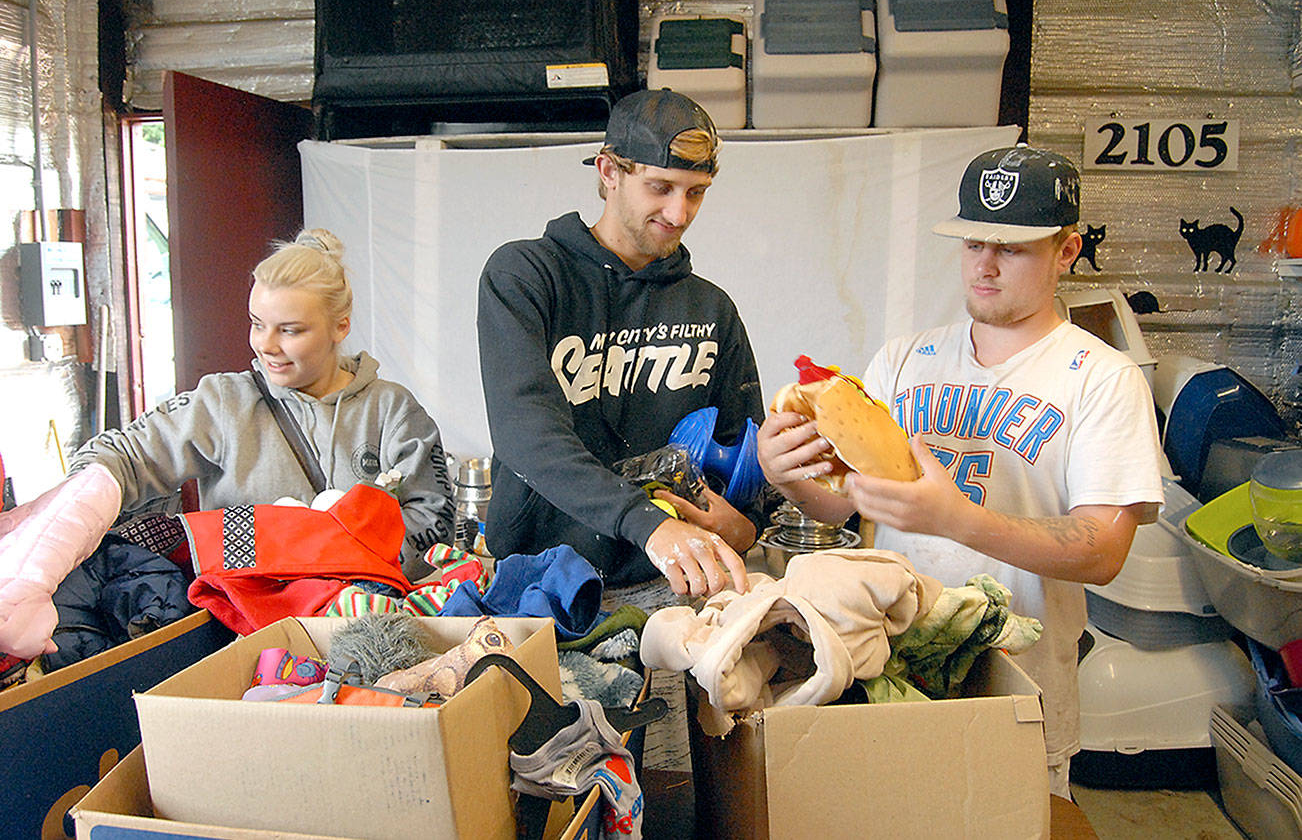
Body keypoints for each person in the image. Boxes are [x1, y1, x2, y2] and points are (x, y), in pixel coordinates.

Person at [757, 145, 1164, 797]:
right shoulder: (905, 359)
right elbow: (845, 507)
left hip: (1017, 687)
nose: (986, 264)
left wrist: (957, 521)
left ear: (1067, 251)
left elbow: (1103, 551)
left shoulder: (1102, 380)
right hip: (889, 674)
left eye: (1014, 247)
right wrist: (786, 473)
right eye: (974, 242)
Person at [477, 89, 763, 599]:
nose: (679, 212)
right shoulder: (524, 276)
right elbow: (527, 436)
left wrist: (749, 523)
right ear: (609, 172)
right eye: (661, 187)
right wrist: (649, 525)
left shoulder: (712, 310)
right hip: (540, 580)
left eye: (696, 191)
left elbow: (747, 456)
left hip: (670, 583)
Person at [69, 228, 455, 581]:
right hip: (242, 632)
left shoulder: (393, 411)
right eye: (257, 324)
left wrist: (338, 566)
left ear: (341, 325)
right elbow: (119, 457)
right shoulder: (222, 404)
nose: (266, 345)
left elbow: (433, 527)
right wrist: (65, 521)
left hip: (363, 620)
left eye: (290, 330)